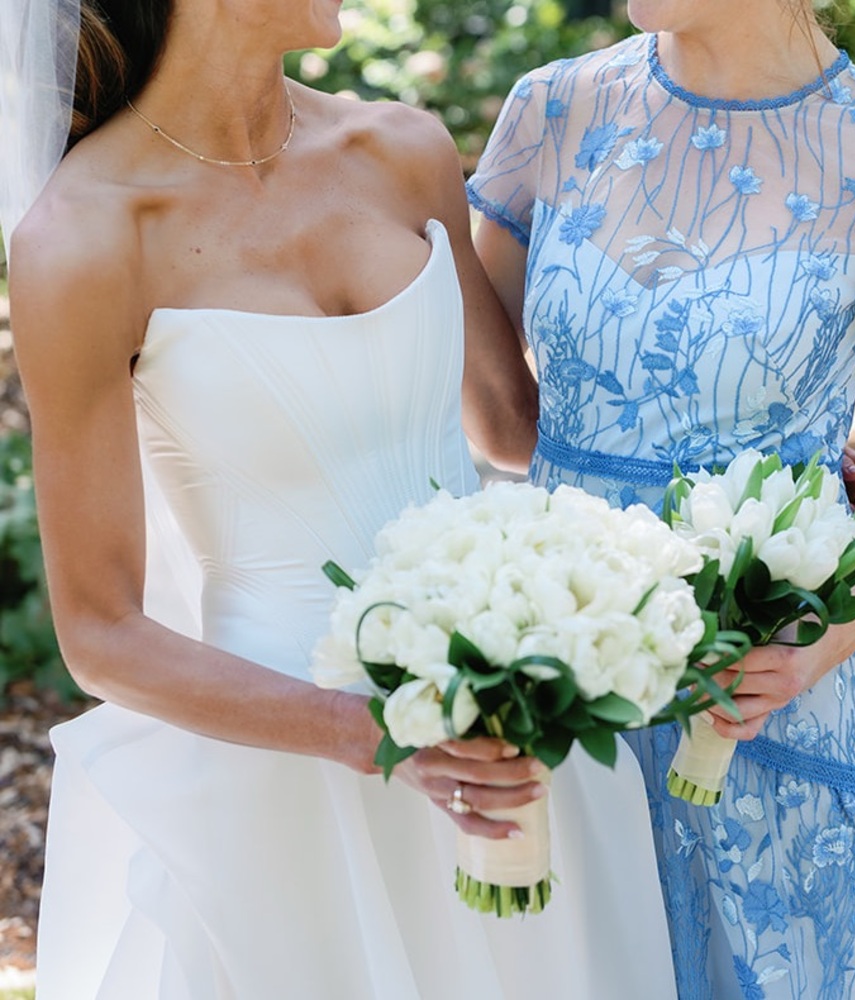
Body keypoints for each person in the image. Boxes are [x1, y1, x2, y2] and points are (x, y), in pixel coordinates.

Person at [0, 1, 684, 996]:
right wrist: (370, 733)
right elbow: (100, 631)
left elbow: (512, 425)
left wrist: (750, 475)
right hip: (286, 774)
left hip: (507, 721)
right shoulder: (82, 239)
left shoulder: (403, 149)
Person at [466, 0, 855, 996]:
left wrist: (807, 649)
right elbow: (502, 424)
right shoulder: (553, 110)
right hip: (571, 674)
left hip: (772, 683)